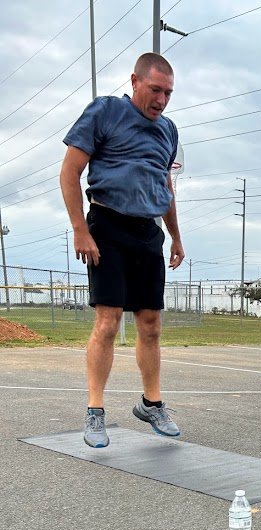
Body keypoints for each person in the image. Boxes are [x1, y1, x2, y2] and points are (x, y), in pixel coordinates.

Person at [60, 52, 185, 448]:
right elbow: (69, 172)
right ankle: (95, 412)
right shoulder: (104, 112)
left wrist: (177, 237)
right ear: (134, 81)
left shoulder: (168, 131)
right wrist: (81, 230)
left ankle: (151, 403)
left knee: (151, 324)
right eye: (155, 90)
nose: (161, 100)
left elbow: (164, 189)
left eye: (168, 92)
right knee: (109, 321)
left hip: (147, 233)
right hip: (106, 225)